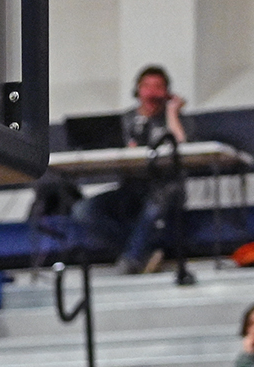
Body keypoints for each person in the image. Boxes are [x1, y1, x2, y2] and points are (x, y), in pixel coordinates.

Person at [75, 66, 189, 276]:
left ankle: (131, 261)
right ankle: (141, 252)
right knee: (83, 211)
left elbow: (180, 145)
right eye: (146, 86)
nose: (152, 92)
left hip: (165, 188)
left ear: (166, 92)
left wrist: (173, 111)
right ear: (137, 91)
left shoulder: (175, 118)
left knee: (154, 206)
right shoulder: (124, 120)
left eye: (158, 87)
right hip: (130, 187)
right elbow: (111, 151)